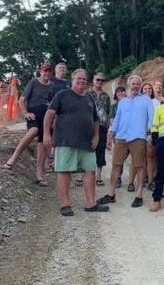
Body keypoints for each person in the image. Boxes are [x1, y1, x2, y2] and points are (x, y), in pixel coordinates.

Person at [42, 69, 108, 215]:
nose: (82, 81)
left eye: (84, 79)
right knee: (64, 171)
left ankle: (91, 204)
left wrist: (96, 136)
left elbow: (96, 120)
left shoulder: (89, 98)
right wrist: (47, 133)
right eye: (79, 79)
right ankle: (66, 204)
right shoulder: (62, 95)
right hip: (66, 141)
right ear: (72, 80)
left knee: (90, 172)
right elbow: (49, 114)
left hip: (86, 143)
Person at [97, 74, 155, 208]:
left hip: (138, 137)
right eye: (133, 83)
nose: (135, 86)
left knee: (140, 166)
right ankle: (111, 194)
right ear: (129, 85)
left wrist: (151, 135)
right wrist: (110, 132)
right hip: (121, 137)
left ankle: (139, 194)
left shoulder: (146, 100)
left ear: (140, 85)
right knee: (116, 165)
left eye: (137, 83)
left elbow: (152, 119)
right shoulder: (123, 102)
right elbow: (117, 119)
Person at [3, 63, 53, 186]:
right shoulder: (33, 83)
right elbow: (22, 99)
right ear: (40, 71)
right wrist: (25, 112)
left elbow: (53, 103)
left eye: (49, 71)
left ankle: (39, 175)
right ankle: (12, 159)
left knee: (42, 144)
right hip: (33, 114)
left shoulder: (52, 86)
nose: (47, 73)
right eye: (45, 71)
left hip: (46, 116)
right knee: (33, 130)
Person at [88, 73, 111, 186]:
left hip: (101, 126)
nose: (100, 82)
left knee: (100, 150)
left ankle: (98, 176)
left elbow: (107, 114)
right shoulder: (87, 94)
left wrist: (108, 130)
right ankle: (85, 175)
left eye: (102, 80)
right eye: (98, 79)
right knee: (86, 149)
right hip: (88, 125)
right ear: (93, 80)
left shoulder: (106, 96)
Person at [47, 62, 70, 173]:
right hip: (53, 113)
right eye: (60, 67)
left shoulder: (68, 83)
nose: (62, 69)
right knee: (50, 137)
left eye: (64, 68)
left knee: (62, 138)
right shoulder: (51, 82)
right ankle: (48, 163)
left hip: (66, 115)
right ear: (55, 70)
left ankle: (58, 162)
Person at [140, 82, 162, 191]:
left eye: (149, 89)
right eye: (145, 89)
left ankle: (151, 180)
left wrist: (153, 130)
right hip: (140, 133)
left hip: (151, 132)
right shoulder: (138, 101)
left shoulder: (155, 102)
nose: (148, 90)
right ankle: (143, 178)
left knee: (151, 157)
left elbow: (158, 117)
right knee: (141, 157)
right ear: (142, 90)